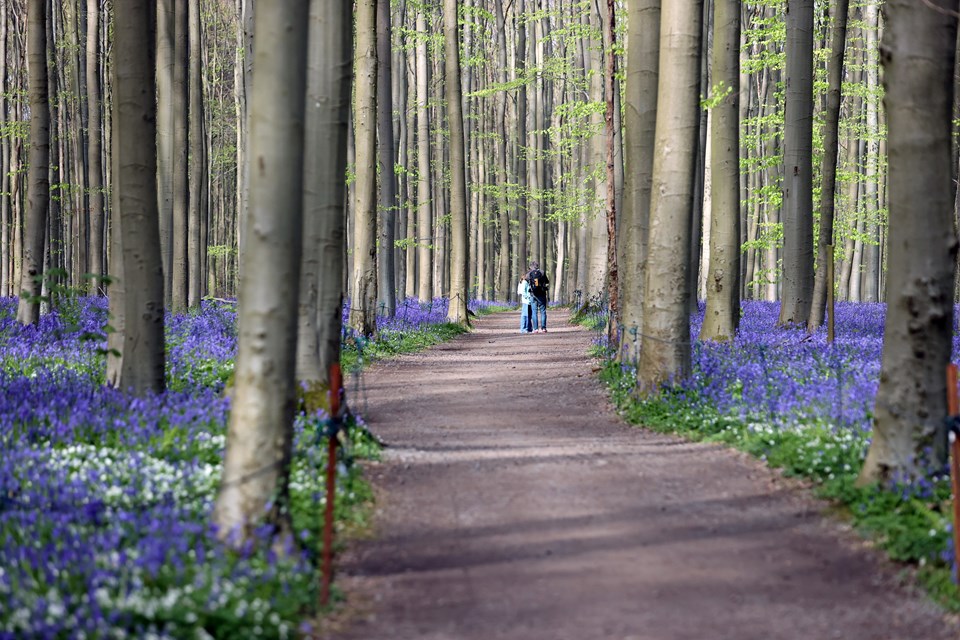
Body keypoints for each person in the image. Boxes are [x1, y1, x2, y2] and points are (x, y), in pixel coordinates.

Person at [526, 261, 549, 332]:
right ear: (537, 266)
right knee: (543, 311)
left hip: (533, 295)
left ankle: (535, 329)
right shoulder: (542, 272)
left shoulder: (528, 274)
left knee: (534, 312)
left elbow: (527, 281)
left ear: (531, 266)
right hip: (542, 294)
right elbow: (547, 281)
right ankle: (544, 328)